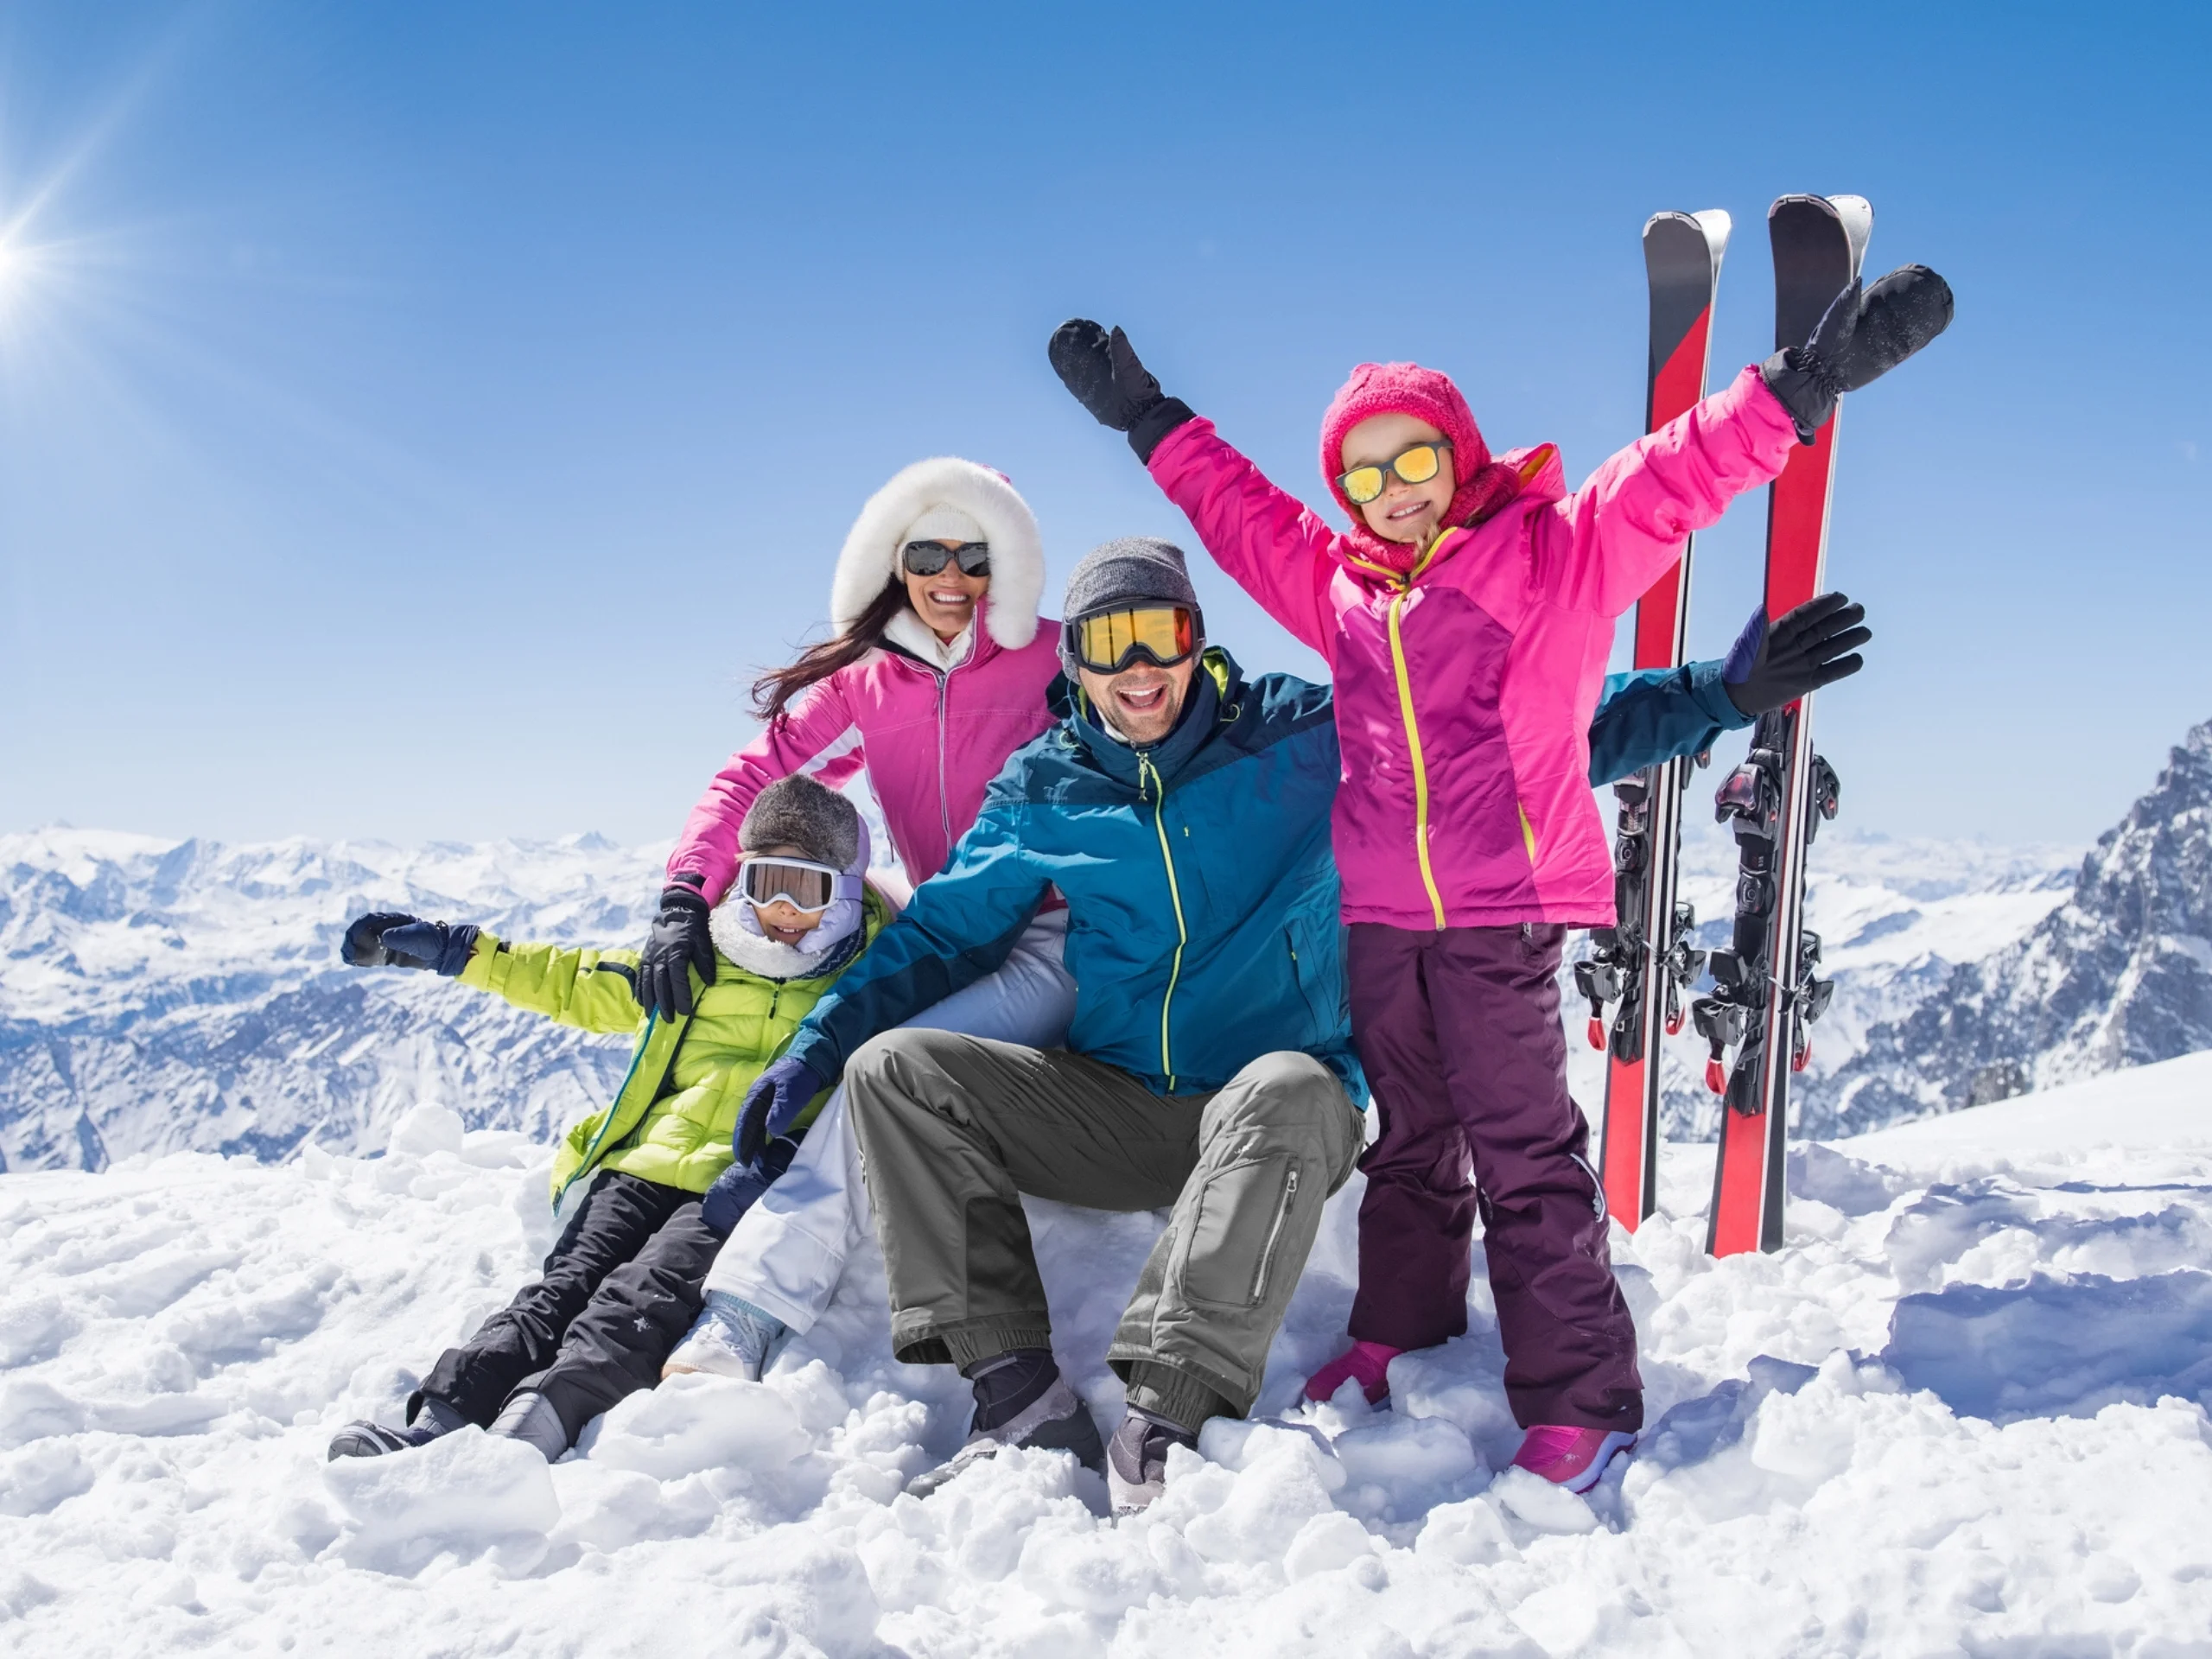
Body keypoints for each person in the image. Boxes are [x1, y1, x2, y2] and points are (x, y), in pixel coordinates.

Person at [1047, 266, 1947, 1493]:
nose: (1389, 492)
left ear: (1456, 453)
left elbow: (1676, 475)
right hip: (1380, 910)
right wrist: (1151, 418)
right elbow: (1238, 514)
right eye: (1360, 473)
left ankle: (1584, 1390)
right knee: (1411, 1143)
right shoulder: (1342, 589)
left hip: (1502, 909)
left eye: (1410, 460)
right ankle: (1401, 1326)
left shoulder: (1554, 553)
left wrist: (1803, 385)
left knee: (1523, 1151)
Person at [730, 537, 1804, 1515]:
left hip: (1276, 1110)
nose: (1138, 667)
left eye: (1163, 633)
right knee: (895, 1071)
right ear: (1078, 665)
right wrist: (817, 1046)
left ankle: (1168, 1410)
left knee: (1288, 1085)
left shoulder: (1301, 736)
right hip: (1119, 1101)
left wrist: (1718, 693)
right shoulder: (1044, 789)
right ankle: (1016, 1394)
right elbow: (935, 942)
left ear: (1197, 641)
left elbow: (1504, 743)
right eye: (1108, 643)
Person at [646, 458, 1080, 1382]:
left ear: (1009, 562)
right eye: (930, 552)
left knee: (880, 1071)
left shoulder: (1057, 660)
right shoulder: (868, 684)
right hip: (946, 927)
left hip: (1054, 932)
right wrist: (688, 890)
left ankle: (749, 1310)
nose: (953, 578)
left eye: (977, 554)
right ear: (896, 559)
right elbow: (753, 778)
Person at [325, 776, 887, 1463]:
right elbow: (573, 981)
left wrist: (788, 1152)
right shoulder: (701, 959)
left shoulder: (866, 982)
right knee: (560, 1290)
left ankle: (535, 1428)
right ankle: (442, 1418)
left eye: (804, 888)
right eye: (764, 881)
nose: (780, 909)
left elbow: (869, 1087)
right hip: (639, 1167)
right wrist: (458, 951)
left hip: (735, 1183)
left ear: (845, 892)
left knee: (640, 1299)